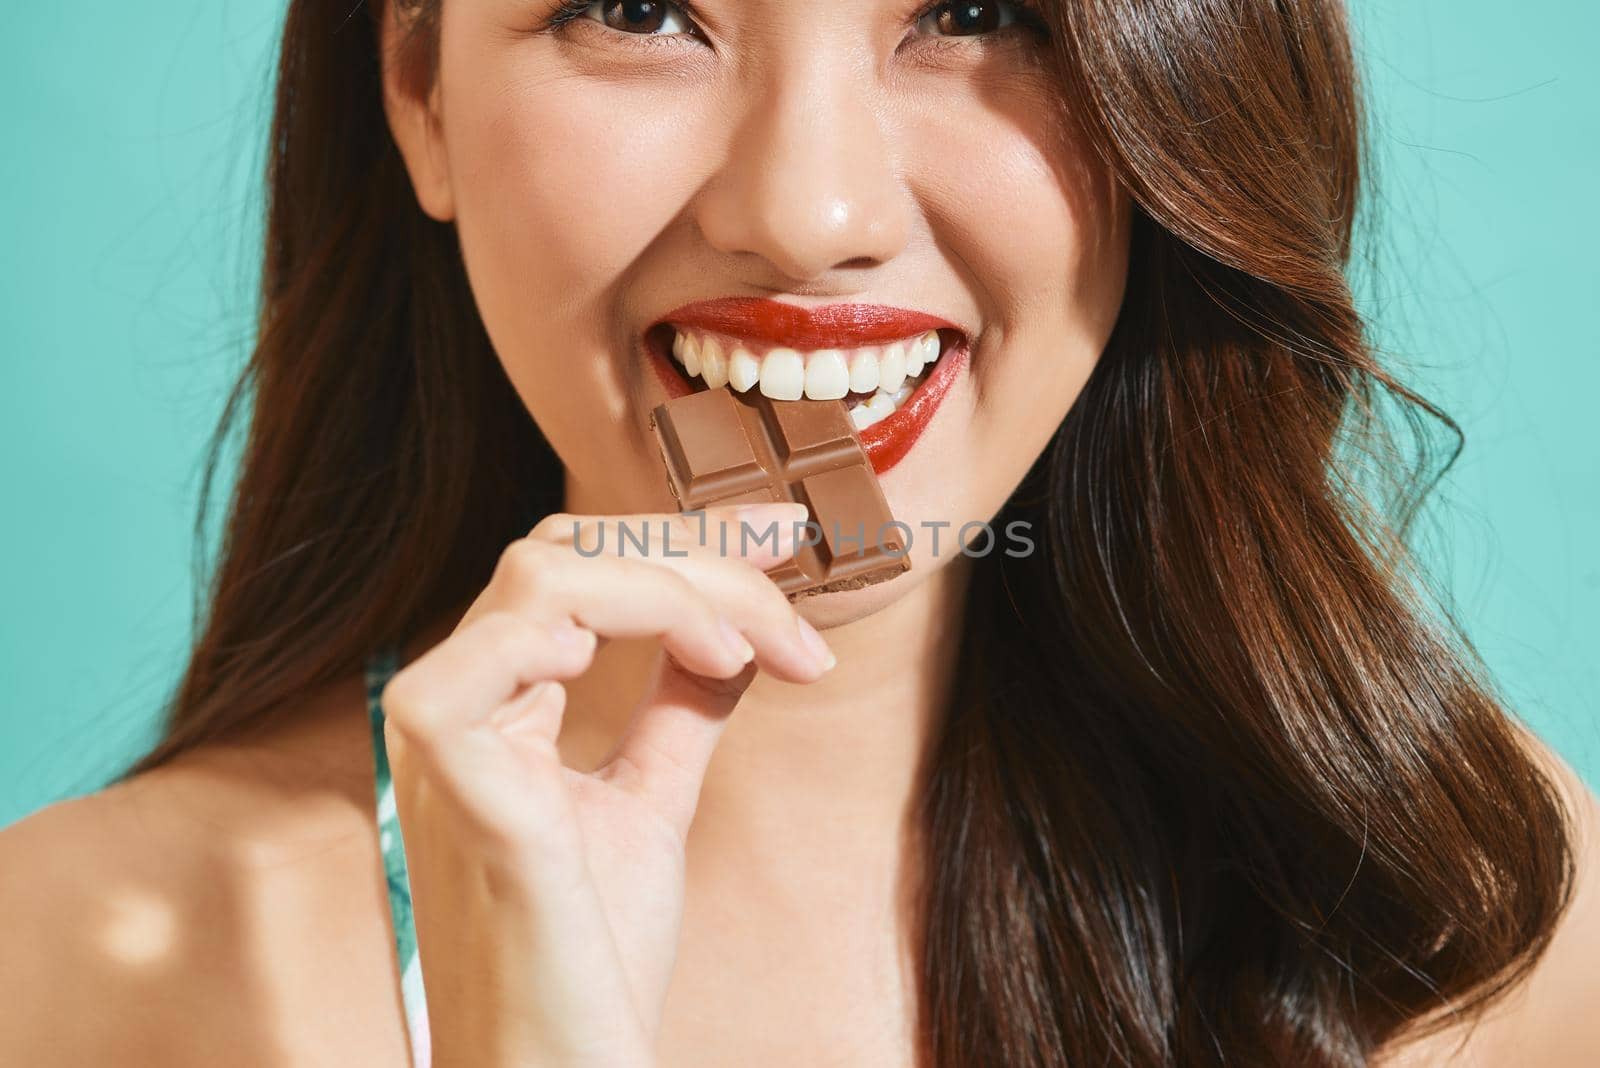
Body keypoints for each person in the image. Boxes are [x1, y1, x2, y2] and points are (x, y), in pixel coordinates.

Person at [2, 0, 1595, 1064]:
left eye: (974, 8)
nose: (810, 209)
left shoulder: (1477, 910)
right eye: (638, 4)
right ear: (417, 90)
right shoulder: (70, 965)